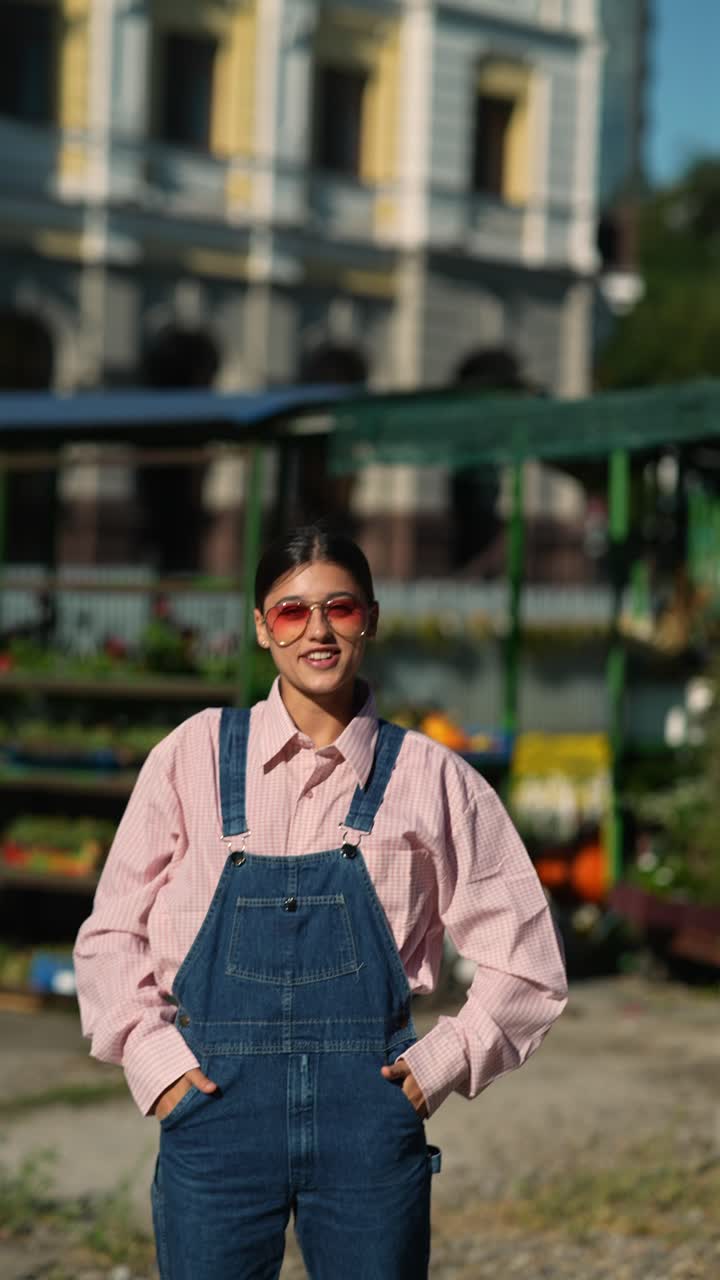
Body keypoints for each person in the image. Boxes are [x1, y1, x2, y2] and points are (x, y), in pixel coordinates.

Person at [74, 521, 567, 1280]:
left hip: (368, 1121)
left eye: (339, 608)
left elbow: (527, 961)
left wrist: (439, 1064)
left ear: (369, 617)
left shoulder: (432, 778)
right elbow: (111, 935)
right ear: (261, 628)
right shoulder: (193, 755)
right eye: (291, 611)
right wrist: (156, 1064)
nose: (318, 631)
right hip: (214, 1110)